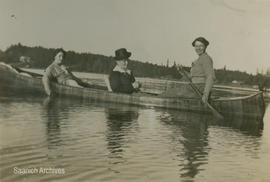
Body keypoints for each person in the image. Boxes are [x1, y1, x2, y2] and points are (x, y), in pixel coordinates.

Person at [162, 37, 215, 104]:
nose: (198, 48)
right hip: (194, 88)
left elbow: (210, 77)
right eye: (196, 46)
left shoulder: (206, 59)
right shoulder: (199, 59)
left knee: (168, 94)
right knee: (170, 92)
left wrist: (205, 95)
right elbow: (191, 77)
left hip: (199, 89)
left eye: (201, 46)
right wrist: (181, 71)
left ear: (205, 47)